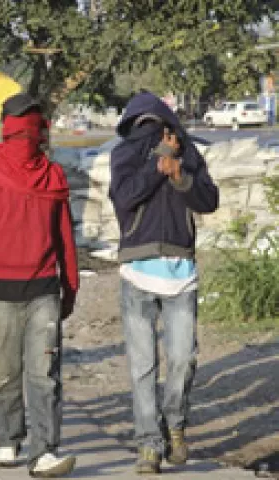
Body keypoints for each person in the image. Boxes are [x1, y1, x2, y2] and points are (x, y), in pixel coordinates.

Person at [0, 93, 79, 477]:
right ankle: (8, 438)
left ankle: (45, 451)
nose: (27, 138)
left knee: (44, 375)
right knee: (5, 373)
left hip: (44, 290)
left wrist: (70, 286)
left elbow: (64, 238)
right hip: (1, 292)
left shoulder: (53, 177)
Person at [109, 92, 219, 475]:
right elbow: (123, 198)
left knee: (183, 359)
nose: (152, 132)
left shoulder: (188, 153)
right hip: (136, 270)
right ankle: (148, 446)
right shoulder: (124, 154)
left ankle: (174, 424)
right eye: (146, 127)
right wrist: (158, 166)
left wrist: (179, 174)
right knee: (142, 366)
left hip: (181, 271)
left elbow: (209, 200)